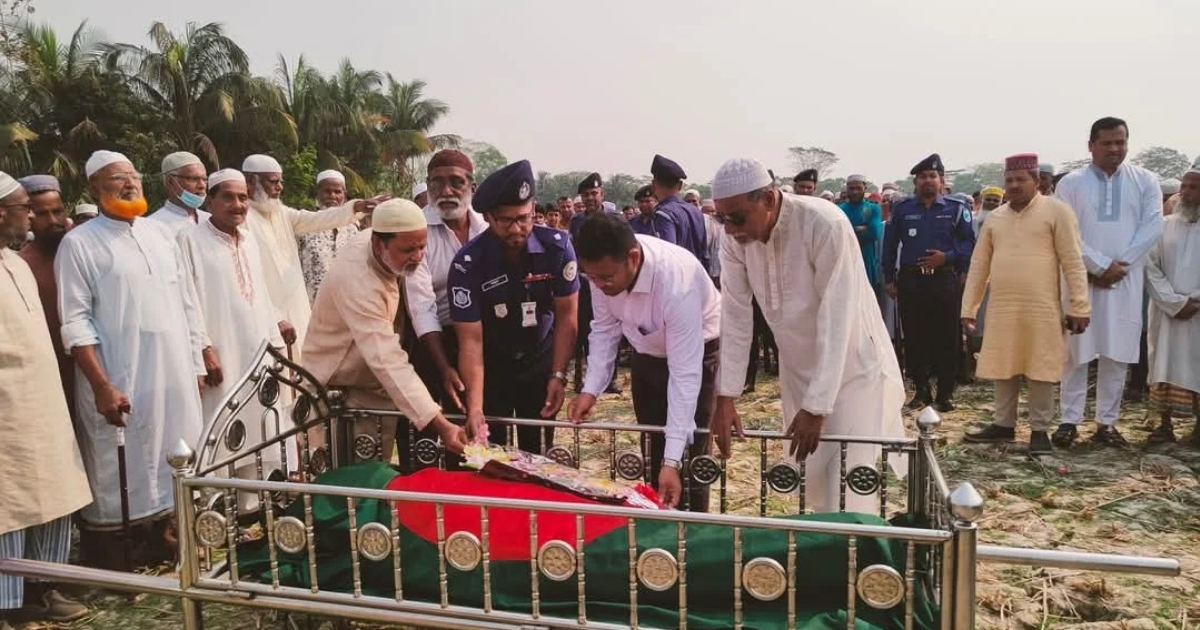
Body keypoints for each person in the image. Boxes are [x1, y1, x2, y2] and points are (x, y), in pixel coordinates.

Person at [709, 158, 907, 514]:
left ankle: (855, 560)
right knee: (812, 481)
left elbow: (838, 314)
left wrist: (817, 405)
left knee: (848, 482)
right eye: (721, 219)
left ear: (768, 199)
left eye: (736, 217)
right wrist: (726, 395)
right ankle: (824, 556)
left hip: (850, 369)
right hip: (798, 371)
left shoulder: (823, 223)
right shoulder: (736, 238)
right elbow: (735, 315)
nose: (728, 229)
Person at [55, 151, 206, 569]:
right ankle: (115, 554)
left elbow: (187, 302)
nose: (128, 184)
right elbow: (76, 320)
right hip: (120, 372)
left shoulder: (160, 235)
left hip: (172, 371)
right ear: (93, 189)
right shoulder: (79, 243)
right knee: (119, 464)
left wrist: (195, 360)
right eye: (115, 179)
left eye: (132, 176)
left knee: (171, 453)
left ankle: (165, 537)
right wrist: (102, 385)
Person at [567, 213, 720, 511]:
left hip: (699, 352)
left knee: (691, 455)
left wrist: (673, 461)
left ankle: (695, 528)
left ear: (633, 258)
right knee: (651, 445)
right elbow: (604, 329)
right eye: (591, 277)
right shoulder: (603, 275)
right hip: (645, 352)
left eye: (606, 278)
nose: (598, 286)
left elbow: (685, 374)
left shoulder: (676, 281)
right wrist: (591, 389)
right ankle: (657, 522)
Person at [303, 198, 468, 463]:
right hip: (341, 387)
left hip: (374, 385)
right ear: (379, 245)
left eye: (422, 246)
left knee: (376, 474)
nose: (417, 256)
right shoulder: (357, 280)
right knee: (351, 480)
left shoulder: (383, 243)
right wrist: (440, 423)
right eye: (408, 250)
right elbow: (387, 359)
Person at [0, 171, 93, 626]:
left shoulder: (15, 262)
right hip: (6, 411)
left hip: (45, 400)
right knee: (10, 504)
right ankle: (9, 603)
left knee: (55, 493)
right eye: (25, 209)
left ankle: (46, 585)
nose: (32, 216)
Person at [960, 154, 1091, 453]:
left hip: (1042, 306)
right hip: (1003, 306)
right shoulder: (995, 217)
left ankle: (1040, 431)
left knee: (1040, 367)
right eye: (1009, 180)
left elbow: (1073, 261)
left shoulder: (1057, 212)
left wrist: (1080, 306)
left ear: (1036, 180)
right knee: (1003, 365)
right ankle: (1003, 425)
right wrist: (969, 308)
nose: (1015, 185)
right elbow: (980, 265)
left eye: (1021, 180)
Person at [448, 160, 579, 453]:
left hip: (541, 361)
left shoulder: (557, 248)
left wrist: (558, 375)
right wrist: (475, 406)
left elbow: (567, 317)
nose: (517, 228)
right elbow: (470, 340)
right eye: (506, 220)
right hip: (493, 366)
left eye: (524, 217)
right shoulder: (468, 264)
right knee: (494, 455)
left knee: (540, 453)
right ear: (488, 217)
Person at [1053, 118, 1164, 448]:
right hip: (1080, 278)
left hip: (1125, 281)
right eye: (1108, 143)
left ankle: (1107, 423)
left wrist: (1121, 265)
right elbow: (1067, 233)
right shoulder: (1070, 184)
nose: (1116, 149)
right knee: (1076, 351)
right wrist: (1099, 266)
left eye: (1121, 142)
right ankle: (1069, 421)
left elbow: (1152, 226)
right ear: (1091, 145)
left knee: (1118, 352)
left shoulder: (1145, 180)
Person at [241, 154, 381, 364]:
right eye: (273, 181)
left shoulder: (283, 213)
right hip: (267, 313)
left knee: (303, 369)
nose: (279, 187)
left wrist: (355, 208)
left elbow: (318, 219)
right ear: (251, 181)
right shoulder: (242, 219)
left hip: (298, 308)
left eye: (281, 182)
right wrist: (275, 316)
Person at [176, 169, 286, 425]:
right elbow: (186, 299)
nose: (238, 205)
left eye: (243, 198)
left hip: (258, 349)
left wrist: (275, 341)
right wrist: (203, 349)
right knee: (223, 424)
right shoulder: (189, 239)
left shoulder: (249, 240)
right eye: (228, 197)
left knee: (263, 422)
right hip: (220, 352)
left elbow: (261, 293)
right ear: (209, 201)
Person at [882, 153, 976, 411]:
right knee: (914, 337)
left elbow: (968, 243)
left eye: (932, 176)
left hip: (945, 280)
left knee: (947, 337)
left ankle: (945, 393)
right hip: (911, 282)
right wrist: (889, 278)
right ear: (916, 182)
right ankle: (921, 390)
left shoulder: (957, 209)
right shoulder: (902, 209)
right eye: (923, 177)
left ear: (941, 180)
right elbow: (889, 246)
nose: (928, 181)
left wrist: (947, 258)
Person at [406, 150, 488, 419]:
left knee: (476, 425)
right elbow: (422, 306)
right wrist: (444, 367)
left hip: (481, 337)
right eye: (437, 183)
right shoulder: (416, 230)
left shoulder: (486, 230)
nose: (446, 190)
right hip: (432, 340)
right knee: (429, 426)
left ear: (472, 187)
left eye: (456, 182)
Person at [1144, 167, 1200, 445]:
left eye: (1194, 187)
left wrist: (1194, 301)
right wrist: (1174, 303)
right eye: (1185, 186)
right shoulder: (1163, 225)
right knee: (1162, 362)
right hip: (1167, 311)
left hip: (1197, 313)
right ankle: (1164, 426)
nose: (1187, 193)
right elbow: (1150, 266)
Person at [16, 175, 74, 411]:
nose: (53, 220)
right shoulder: (21, 266)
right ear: (28, 216)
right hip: (52, 379)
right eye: (42, 214)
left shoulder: (84, 252)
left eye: (58, 211)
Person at [567, 172, 620, 394]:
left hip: (608, 282)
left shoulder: (614, 219)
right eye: (586, 194)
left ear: (602, 194)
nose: (590, 198)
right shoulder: (577, 221)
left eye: (594, 193)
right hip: (583, 282)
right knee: (582, 330)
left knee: (611, 327)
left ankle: (611, 379)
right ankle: (582, 378)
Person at [298, 170, 360, 302]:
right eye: (327, 191)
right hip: (311, 307)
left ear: (344, 195)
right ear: (317, 194)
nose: (332, 196)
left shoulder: (353, 230)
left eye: (337, 192)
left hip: (347, 305)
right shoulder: (305, 226)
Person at [650, 154, 709, 269]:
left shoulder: (663, 214)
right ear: (680, 186)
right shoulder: (696, 211)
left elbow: (668, 256)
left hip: (678, 279)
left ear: (653, 185)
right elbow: (704, 253)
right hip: (697, 275)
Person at [838, 174, 884, 289]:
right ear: (846, 188)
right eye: (851, 188)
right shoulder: (839, 209)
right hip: (845, 259)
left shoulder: (873, 208)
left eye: (858, 188)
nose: (854, 192)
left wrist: (849, 230)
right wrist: (861, 228)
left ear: (865, 188)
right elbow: (838, 235)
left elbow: (874, 233)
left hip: (866, 259)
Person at [148, 151, 210, 236]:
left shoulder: (211, 220)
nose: (202, 186)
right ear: (170, 182)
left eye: (204, 179)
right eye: (193, 179)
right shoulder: (153, 226)